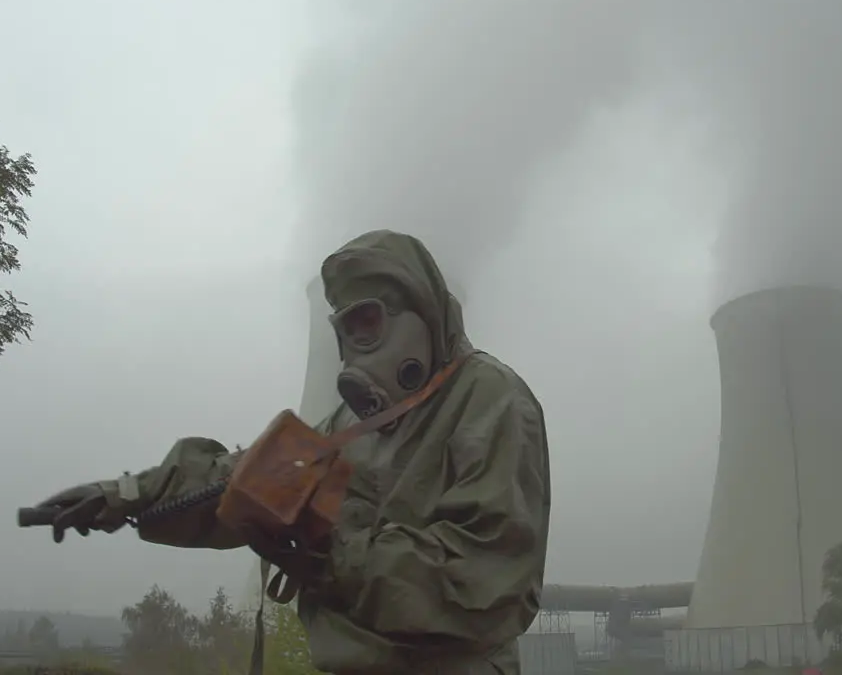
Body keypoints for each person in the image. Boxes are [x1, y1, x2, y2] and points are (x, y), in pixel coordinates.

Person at [30, 230, 552, 674]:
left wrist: (330, 548)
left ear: (420, 311)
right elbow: (238, 480)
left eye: (367, 322)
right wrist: (126, 495)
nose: (355, 346)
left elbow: (483, 580)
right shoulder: (351, 423)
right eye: (344, 330)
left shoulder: (490, 400)